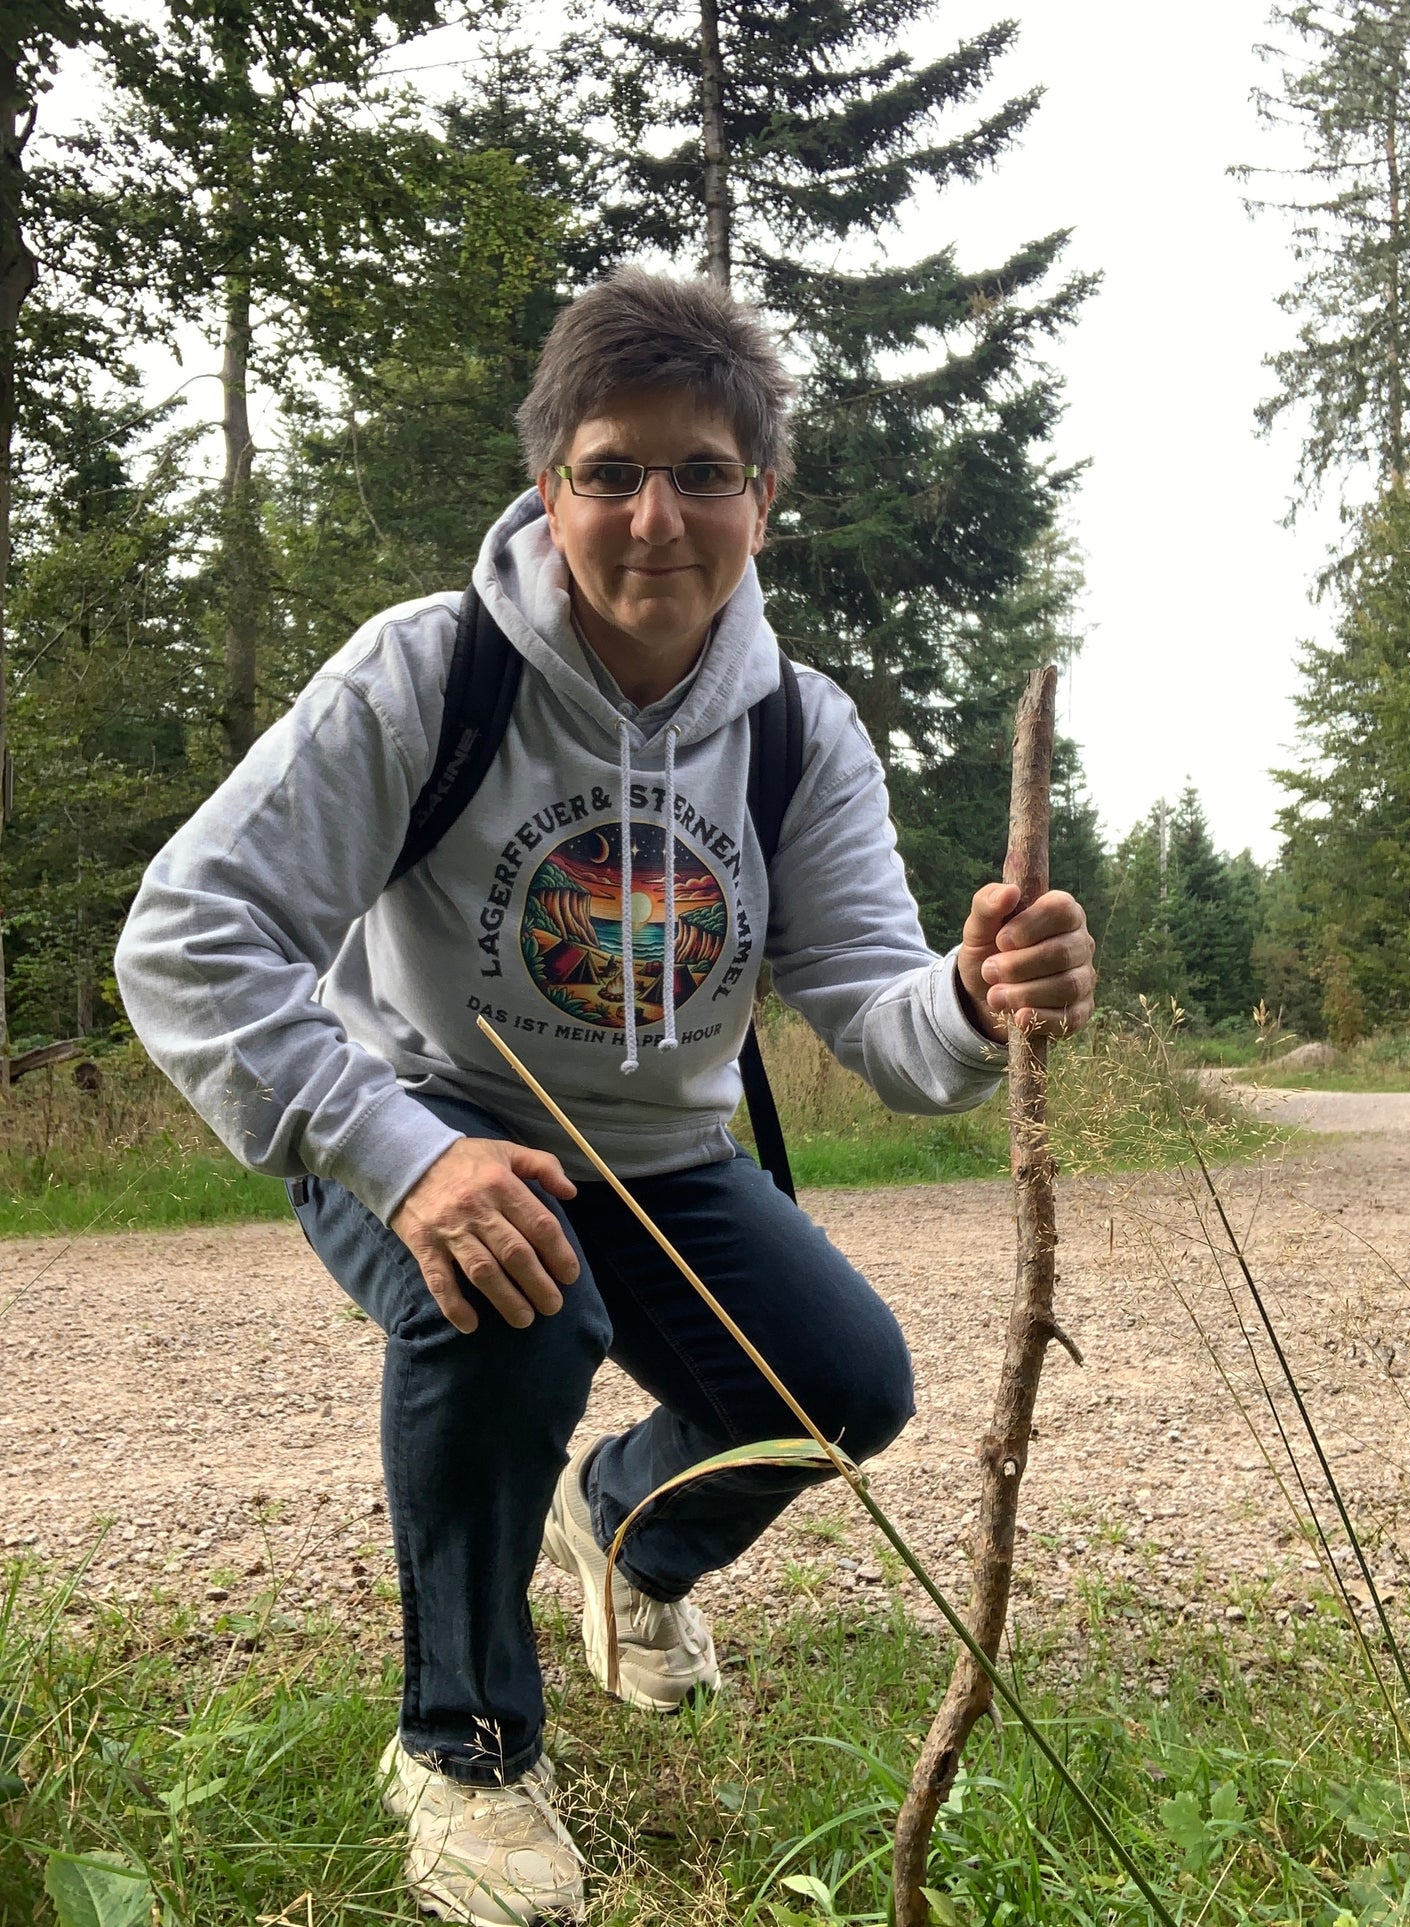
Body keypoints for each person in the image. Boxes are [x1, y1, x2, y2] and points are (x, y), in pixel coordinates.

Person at [114, 268, 1097, 1926]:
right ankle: (464, 1750)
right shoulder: (428, 677)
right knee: (517, 1292)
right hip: (418, 1119)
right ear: (548, 489)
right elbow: (190, 934)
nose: (657, 517)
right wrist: (399, 1156)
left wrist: (977, 1000)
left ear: (762, 502)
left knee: (844, 1386)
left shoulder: (796, 727)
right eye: (609, 471)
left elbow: (877, 1009)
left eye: (704, 473)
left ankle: (628, 1542)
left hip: (664, 1155)